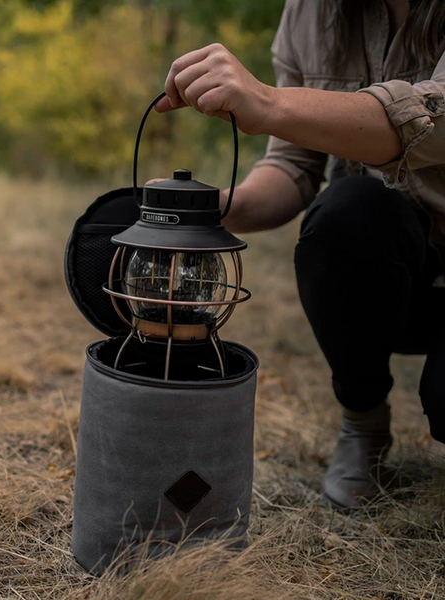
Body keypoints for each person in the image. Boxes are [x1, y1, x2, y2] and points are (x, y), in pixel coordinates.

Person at [155, 0, 445, 510]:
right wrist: (218, 208)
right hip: (395, 268)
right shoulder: (311, 10)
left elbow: (434, 121)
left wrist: (267, 102)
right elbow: (293, 163)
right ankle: (363, 421)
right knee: (346, 212)